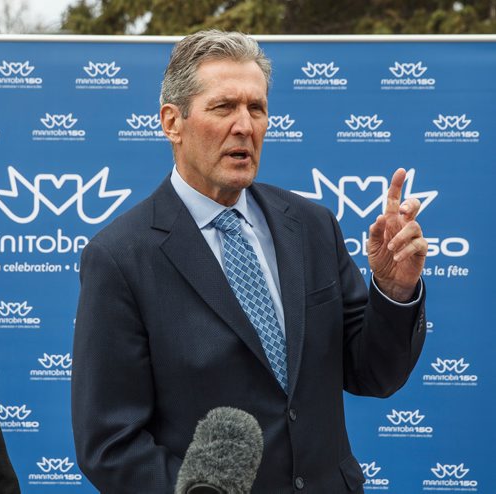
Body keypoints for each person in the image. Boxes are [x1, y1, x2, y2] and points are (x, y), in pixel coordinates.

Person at [72, 30, 427, 493]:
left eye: (256, 108)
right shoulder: (119, 257)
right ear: (172, 123)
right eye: (224, 107)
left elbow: (373, 374)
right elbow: (109, 443)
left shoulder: (313, 225)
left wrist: (393, 290)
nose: (244, 125)